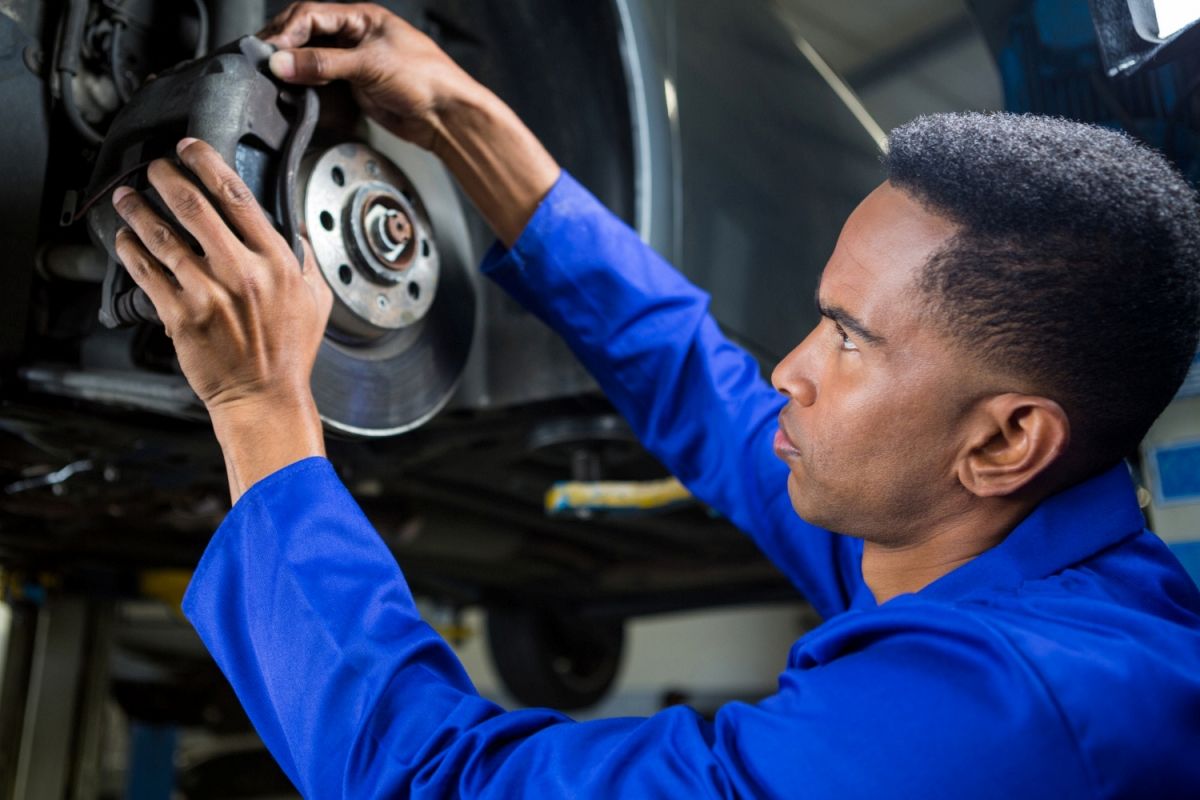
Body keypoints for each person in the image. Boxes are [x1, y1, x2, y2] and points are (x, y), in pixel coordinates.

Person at [110, 2, 1200, 797]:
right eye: (823, 314)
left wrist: (260, 405)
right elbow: (705, 387)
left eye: (851, 340)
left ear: (1006, 438)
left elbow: (437, 784)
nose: (790, 367)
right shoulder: (989, 543)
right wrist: (457, 113)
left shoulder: (1003, 719)